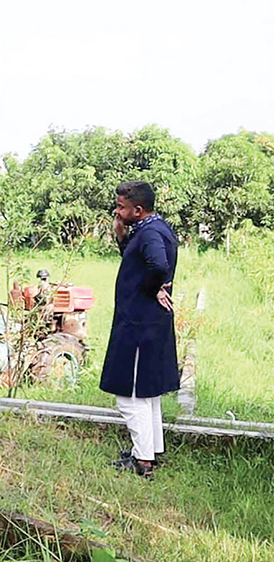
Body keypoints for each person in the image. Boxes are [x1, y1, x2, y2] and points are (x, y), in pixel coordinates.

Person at [99, 180, 179, 479]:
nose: (117, 211)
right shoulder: (154, 228)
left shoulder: (151, 234)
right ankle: (149, 450)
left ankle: (143, 461)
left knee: (129, 395)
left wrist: (153, 287)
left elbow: (158, 265)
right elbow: (142, 262)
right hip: (147, 322)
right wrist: (121, 237)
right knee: (146, 392)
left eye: (121, 207)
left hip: (139, 325)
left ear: (138, 209)